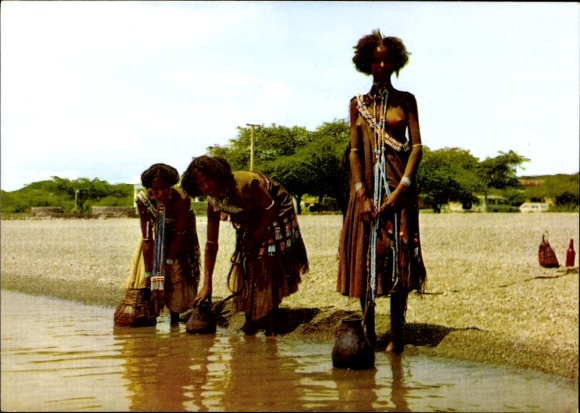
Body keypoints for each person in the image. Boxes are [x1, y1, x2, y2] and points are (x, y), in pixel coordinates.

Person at [337, 30, 427, 353]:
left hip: (398, 190)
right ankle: (368, 330)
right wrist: (360, 194)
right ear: (366, 63)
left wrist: (402, 188)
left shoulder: (406, 100)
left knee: (398, 257)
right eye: (375, 59)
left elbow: (416, 148)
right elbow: (354, 152)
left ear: (395, 61)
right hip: (366, 195)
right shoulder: (357, 105)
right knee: (368, 255)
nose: (381, 64)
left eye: (386, 58)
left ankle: (397, 336)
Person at [181, 155, 309, 335]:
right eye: (200, 184)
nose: (206, 187)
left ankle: (270, 322)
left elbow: (271, 209)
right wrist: (207, 285)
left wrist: (254, 239)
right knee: (245, 262)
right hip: (249, 218)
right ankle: (252, 319)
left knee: (267, 261)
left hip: (276, 211)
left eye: (208, 180)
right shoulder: (214, 201)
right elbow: (211, 243)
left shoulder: (247, 183)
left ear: (218, 176)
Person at [115, 163, 201, 326]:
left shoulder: (181, 200)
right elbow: (147, 238)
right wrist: (149, 273)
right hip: (156, 236)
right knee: (146, 278)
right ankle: (151, 311)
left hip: (181, 238)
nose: (160, 194)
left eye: (164, 189)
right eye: (155, 190)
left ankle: (175, 318)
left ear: (171, 186)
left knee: (177, 274)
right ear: (150, 189)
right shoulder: (144, 201)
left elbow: (179, 235)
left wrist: (168, 262)